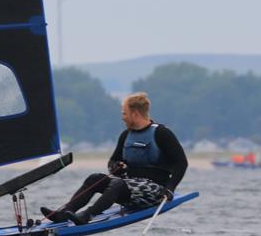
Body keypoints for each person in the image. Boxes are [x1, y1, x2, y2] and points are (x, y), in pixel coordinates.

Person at [41, 92, 188, 225]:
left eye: (124, 114)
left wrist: (170, 189)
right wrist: (115, 166)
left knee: (117, 183)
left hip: (155, 191)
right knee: (95, 178)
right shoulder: (126, 135)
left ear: (135, 114)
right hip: (128, 188)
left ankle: (87, 216)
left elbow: (182, 163)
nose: (122, 117)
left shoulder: (162, 133)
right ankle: (63, 214)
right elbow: (112, 162)